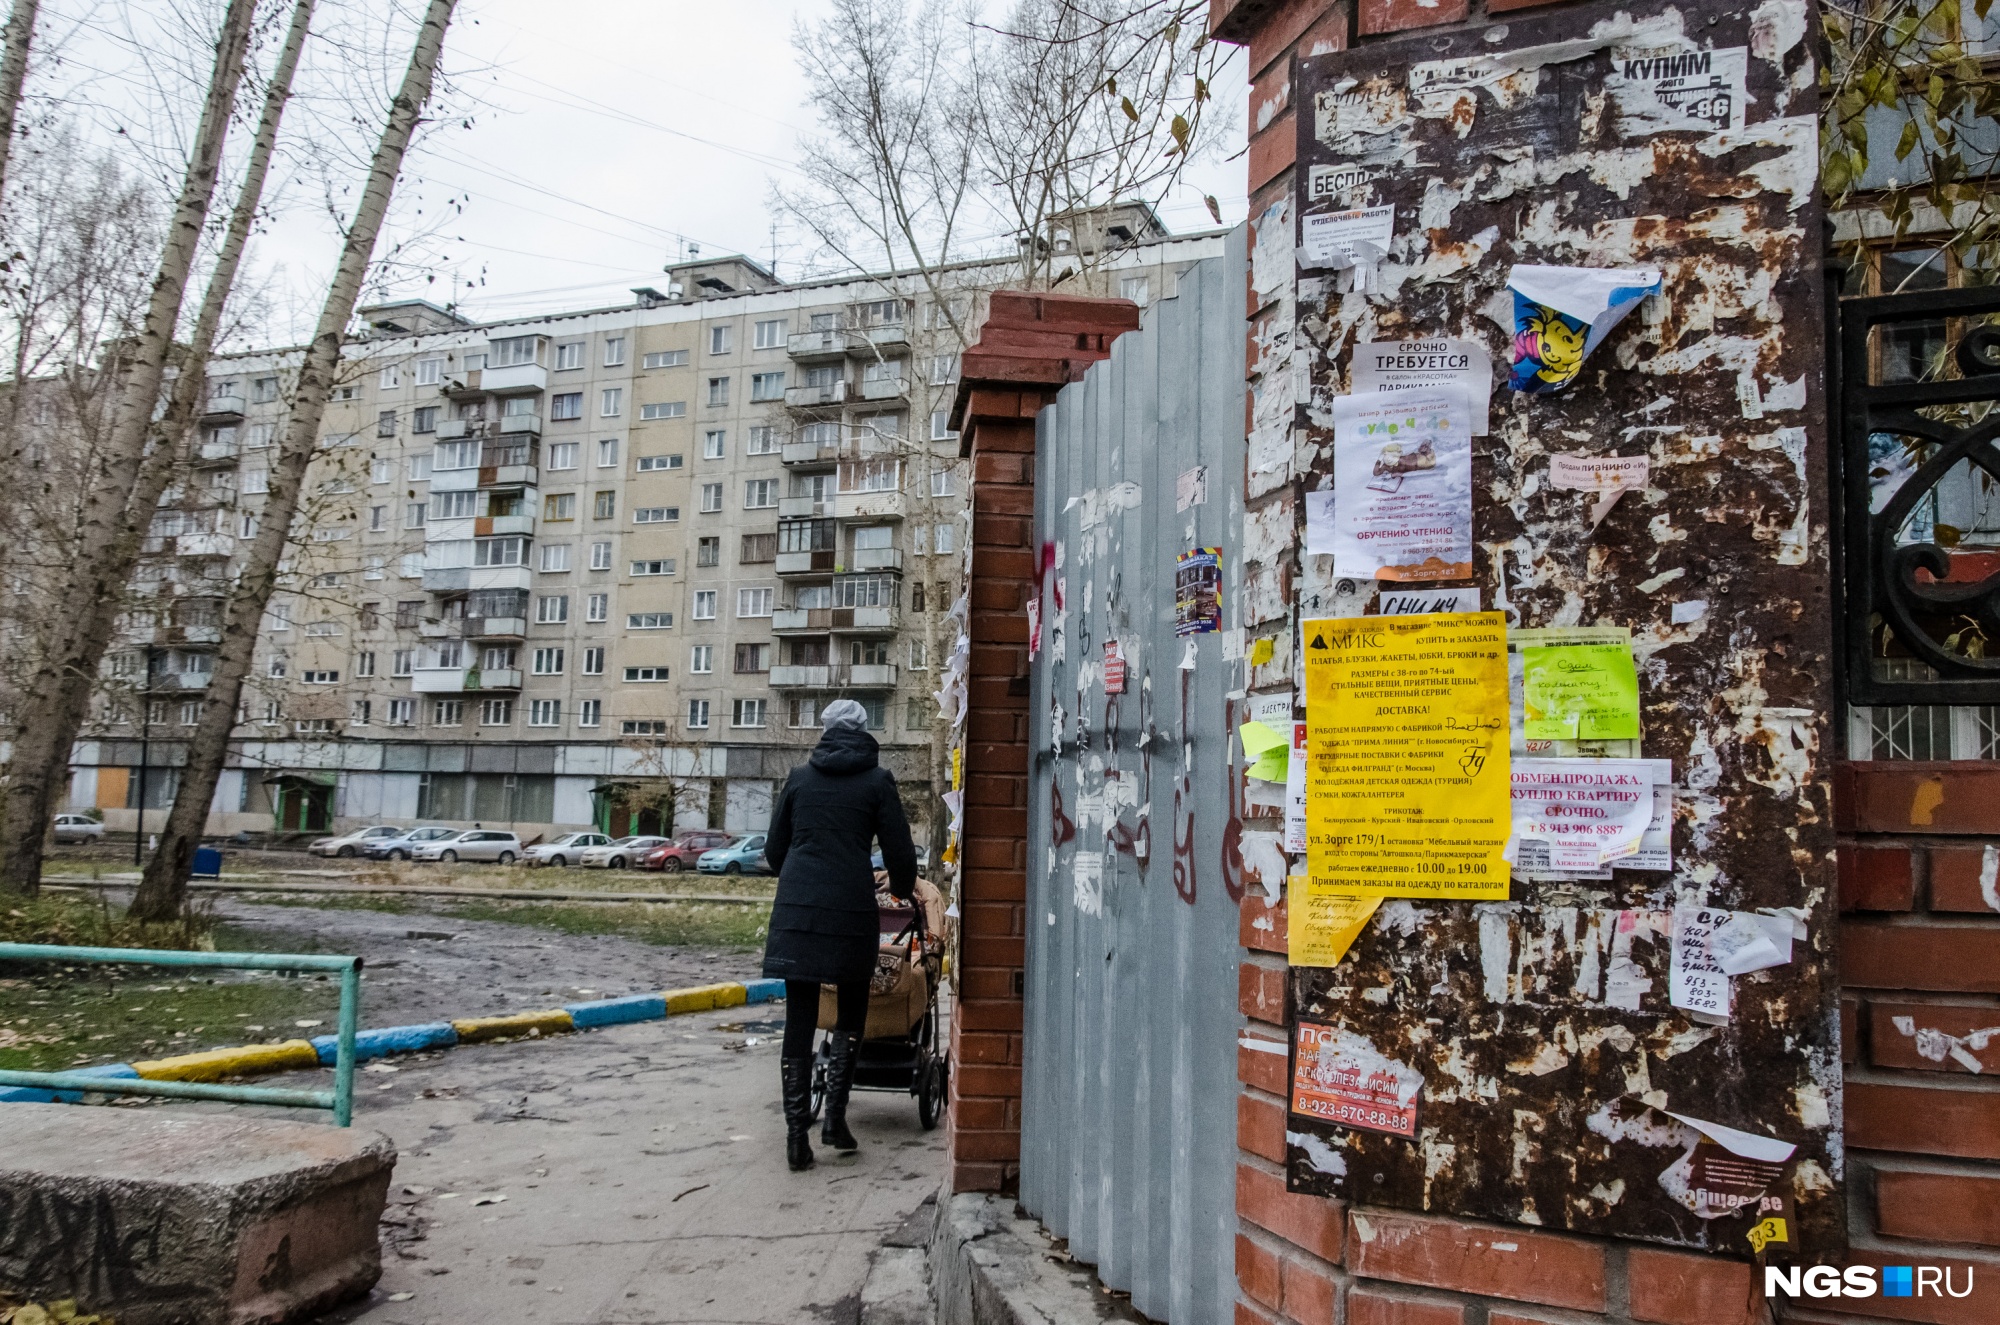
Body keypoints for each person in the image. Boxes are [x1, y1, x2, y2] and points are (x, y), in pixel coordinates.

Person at [762, 698, 918, 1172]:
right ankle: (834, 1121)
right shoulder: (877, 781)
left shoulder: (798, 778)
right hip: (850, 909)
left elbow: (773, 852)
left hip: (797, 911)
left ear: (825, 730)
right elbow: (900, 855)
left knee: (800, 1018)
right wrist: (905, 889)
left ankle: (796, 1137)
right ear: (864, 730)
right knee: (852, 1012)